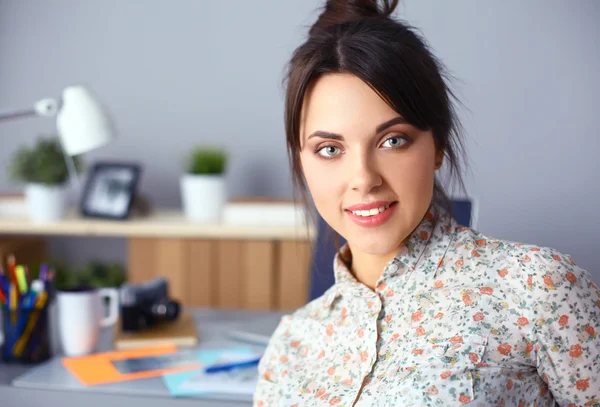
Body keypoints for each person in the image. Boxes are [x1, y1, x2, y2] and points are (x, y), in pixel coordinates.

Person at [253, 1, 600, 406]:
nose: (364, 178)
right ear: (301, 160)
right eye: (329, 149)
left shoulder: (535, 289)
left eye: (392, 140)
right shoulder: (291, 345)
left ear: (436, 145)